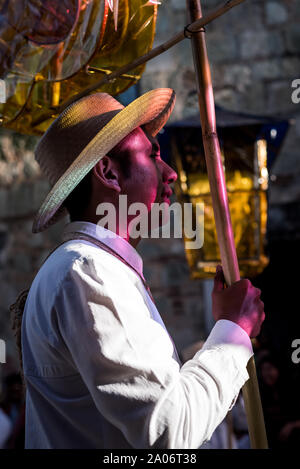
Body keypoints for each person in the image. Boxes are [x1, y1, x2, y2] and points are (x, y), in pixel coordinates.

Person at [19, 89, 265, 449]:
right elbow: (169, 431)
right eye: (153, 155)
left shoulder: (93, 269)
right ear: (108, 172)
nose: (171, 174)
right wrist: (233, 332)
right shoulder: (88, 272)